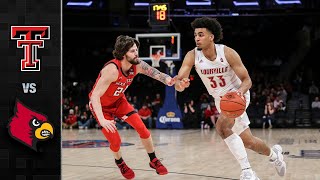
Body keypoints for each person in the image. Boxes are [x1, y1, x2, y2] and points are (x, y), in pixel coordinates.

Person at [174, 17, 286, 180]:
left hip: (237, 96)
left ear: (211, 37)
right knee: (248, 142)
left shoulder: (227, 53)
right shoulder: (192, 56)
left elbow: (247, 80)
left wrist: (239, 92)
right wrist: (181, 84)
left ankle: (247, 172)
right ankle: (275, 157)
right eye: (195, 35)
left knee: (221, 127)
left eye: (201, 34)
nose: (197, 38)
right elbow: (179, 82)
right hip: (221, 101)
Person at [89, 35, 175, 179]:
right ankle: (120, 162)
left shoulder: (138, 65)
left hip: (119, 102)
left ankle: (153, 160)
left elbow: (156, 73)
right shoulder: (112, 70)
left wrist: (169, 80)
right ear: (123, 54)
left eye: (136, 50)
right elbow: (94, 96)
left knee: (142, 128)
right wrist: (102, 120)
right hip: (101, 107)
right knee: (115, 142)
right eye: (133, 51)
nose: (137, 54)